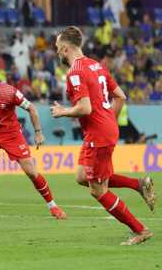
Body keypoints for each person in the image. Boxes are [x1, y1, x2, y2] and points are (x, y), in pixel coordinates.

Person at [51, 26, 155, 245]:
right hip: (103, 130)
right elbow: (121, 95)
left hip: (98, 134)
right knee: (82, 176)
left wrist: (63, 111)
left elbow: (85, 108)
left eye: (58, 48)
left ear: (66, 48)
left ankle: (140, 230)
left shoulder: (75, 72)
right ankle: (139, 184)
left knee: (97, 190)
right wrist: (108, 120)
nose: (57, 52)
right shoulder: (96, 65)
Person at [0, 63, 66, 221]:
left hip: (12, 134)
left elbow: (31, 108)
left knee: (31, 172)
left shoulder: (9, 92)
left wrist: (38, 133)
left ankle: (53, 206)